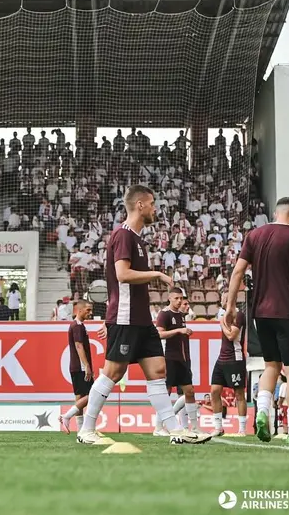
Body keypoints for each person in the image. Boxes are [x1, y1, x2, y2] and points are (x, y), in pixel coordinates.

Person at [76, 185, 210, 445]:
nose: (155, 209)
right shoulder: (123, 235)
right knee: (112, 373)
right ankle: (86, 429)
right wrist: (157, 274)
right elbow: (123, 275)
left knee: (158, 371)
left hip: (141, 319)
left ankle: (175, 430)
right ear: (140, 205)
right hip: (125, 317)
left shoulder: (137, 238)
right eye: (152, 204)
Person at [225, 196, 289, 443]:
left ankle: (261, 413)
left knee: (271, 365)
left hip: (260, 313)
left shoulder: (254, 236)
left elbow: (238, 271)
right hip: (288, 312)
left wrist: (229, 306)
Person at [154, 287, 198, 436]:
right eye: (176, 298)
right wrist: (178, 331)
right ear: (169, 298)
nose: (179, 301)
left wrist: (185, 332)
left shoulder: (181, 315)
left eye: (181, 298)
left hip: (182, 359)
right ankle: (158, 427)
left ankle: (194, 427)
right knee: (165, 393)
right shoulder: (164, 314)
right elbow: (158, 334)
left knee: (189, 391)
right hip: (168, 359)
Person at [211, 295, 248, 436]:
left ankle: (242, 429)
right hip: (222, 358)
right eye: (223, 298)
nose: (224, 300)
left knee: (238, 393)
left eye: (227, 298)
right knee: (214, 391)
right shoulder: (224, 314)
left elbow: (232, 336)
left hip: (235, 358)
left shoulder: (239, 315)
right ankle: (218, 427)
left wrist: (221, 323)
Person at [60, 299, 95, 433]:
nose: (90, 313)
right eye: (88, 310)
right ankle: (67, 416)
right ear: (79, 310)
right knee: (93, 394)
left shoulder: (78, 326)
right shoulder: (77, 326)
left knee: (80, 397)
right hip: (80, 367)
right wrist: (87, 365)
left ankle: (81, 431)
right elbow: (79, 346)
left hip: (76, 366)